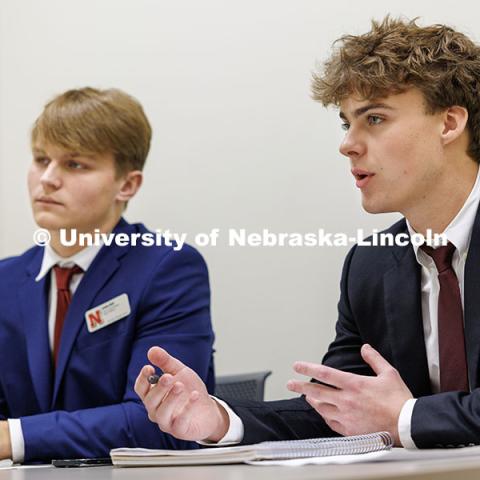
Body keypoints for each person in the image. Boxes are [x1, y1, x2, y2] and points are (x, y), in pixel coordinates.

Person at [135, 16, 480, 449]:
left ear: (449, 123)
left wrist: (406, 418)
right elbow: (337, 411)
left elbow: (394, 418)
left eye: (374, 118)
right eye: (346, 123)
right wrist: (218, 419)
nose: (348, 144)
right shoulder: (370, 265)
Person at [0, 87, 215, 462]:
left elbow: (162, 422)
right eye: (40, 159)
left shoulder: (168, 268)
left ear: (127, 184)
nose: (47, 179)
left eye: (74, 164)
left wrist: (14, 437)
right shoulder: (6, 279)